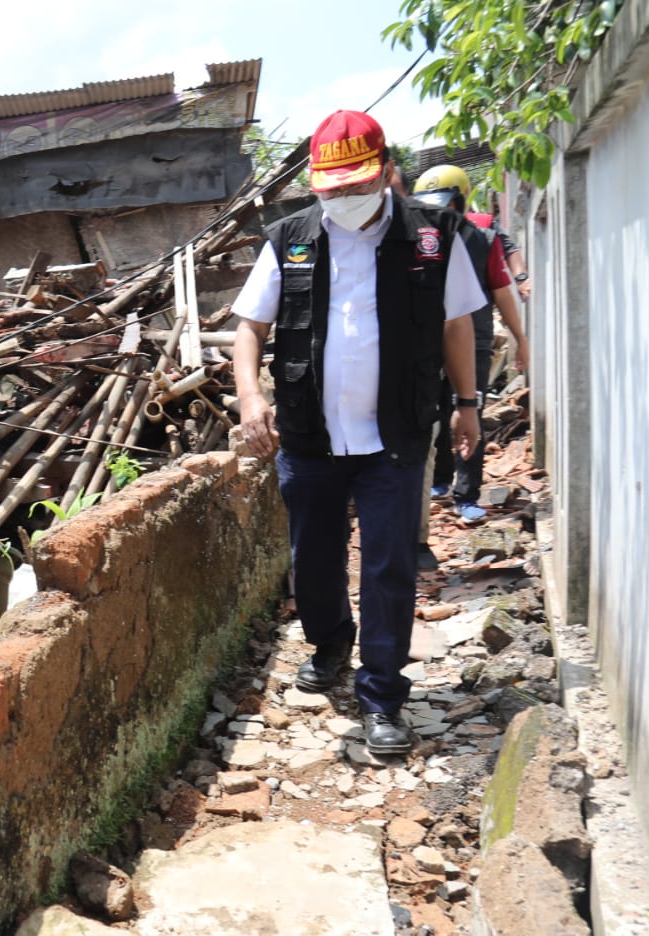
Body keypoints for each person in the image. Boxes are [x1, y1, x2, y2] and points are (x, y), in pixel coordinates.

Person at [232, 111, 485, 756]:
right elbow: (250, 328)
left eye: (356, 187)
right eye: (332, 189)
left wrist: (466, 404)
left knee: (388, 565)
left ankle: (382, 695)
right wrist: (251, 396)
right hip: (311, 434)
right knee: (312, 560)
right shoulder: (289, 237)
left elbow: (458, 325)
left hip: (396, 434)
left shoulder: (434, 237)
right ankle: (329, 646)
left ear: (387, 175)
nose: (343, 200)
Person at [413, 165, 529, 523]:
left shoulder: (483, 236)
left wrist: (520, 339)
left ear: (461, 202)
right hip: (429, 339)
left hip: (473, 339)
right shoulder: (415, 237)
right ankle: (441, 480)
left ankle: (467, 495)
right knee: (433, 411)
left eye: (445, 205)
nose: (438, 214)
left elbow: (500, 290)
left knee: (469, 411)